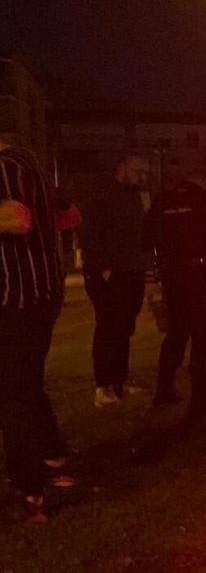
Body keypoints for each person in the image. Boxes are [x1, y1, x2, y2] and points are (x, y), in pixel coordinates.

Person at [0, 141, 82, 519]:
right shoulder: (29, 160)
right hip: (39, 295)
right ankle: (43, 467)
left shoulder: (6, 167)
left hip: (16, 299)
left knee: (15, 393)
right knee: (21, 387)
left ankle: (39, 483)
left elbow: (17, 218)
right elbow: (71, 215)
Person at [148, 171, 206, 417]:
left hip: (171, 275)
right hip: (201, 276)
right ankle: (200, 399)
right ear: (205, 181)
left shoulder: (161, 201)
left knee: (176, 332)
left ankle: (164, 389)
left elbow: (148, 237)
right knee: (204, 336)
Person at [81, 154, 152, 408]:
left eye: (146, 172)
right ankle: (102, 386)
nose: (142, 177)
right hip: (110, 274)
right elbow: (89, 234)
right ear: (121, 168)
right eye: (138, 171)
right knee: (108, 327)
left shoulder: (137, 197)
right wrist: (104, 269)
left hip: (132, 271)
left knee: (125, 328)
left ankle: (118, 382)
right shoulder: (101, 194)